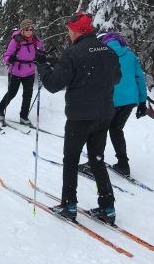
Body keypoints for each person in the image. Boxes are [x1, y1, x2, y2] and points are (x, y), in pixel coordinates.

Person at [37, 12, 121, 224]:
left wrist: (43, 65)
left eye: (69, 29)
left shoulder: (73, 52)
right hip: (103, 115)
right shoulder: (108, 50)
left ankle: (69, 205)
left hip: (80, 117)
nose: (68, 33)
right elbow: (116, 77)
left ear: (77, 30)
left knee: (71, 160)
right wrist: (61, 64)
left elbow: (53, 84)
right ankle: (107, 207)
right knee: (97, 160)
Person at [79, 32, 147, 177]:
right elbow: (140, 78)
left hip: (109, 99)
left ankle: (93, 165)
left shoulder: (102, 54)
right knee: (116, 129)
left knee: (99, 130)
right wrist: (142, 102)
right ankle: (123, 164)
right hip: (129, 101)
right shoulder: (130, 55)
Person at [0, 19, 44, 126]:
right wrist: (10, 59)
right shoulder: (16, 40)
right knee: (12, 93)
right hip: (16, 71)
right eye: (27, 29)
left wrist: (43, 56)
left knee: (28, 94)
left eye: (31, 29)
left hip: (30, 71)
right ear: (22, 30)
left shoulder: (36, 40)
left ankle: (23, 116)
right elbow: (6, 56)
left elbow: (41, 51)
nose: (29, 31)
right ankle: (0, 109)